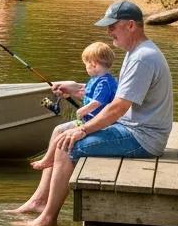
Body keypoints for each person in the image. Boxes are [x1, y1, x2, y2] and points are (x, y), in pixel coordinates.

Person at [13, 0, 173, 226]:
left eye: (112, 26)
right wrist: (76, 88)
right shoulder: (135, 52)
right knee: (61, 131)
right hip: (130, 127)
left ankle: (47, 218)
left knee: (68, 145)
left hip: (143, 138)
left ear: (130, 26)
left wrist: (83, 129)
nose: (108, 32)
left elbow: (118, 106)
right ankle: (38, 201)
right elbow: (113, 93)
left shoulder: (141, 59)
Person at [30, 42, 119, 171]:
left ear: (93, 64)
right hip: (88, 120)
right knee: (58, 130)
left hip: (96, 122)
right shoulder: (96, 79)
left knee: (61, 133)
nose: (86, 68)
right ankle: (48, 159)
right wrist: (68, 95)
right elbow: (88, 97)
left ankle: (47, 161)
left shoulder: (105, 82)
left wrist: (82, 111)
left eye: (86, 65)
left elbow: (97, 102)